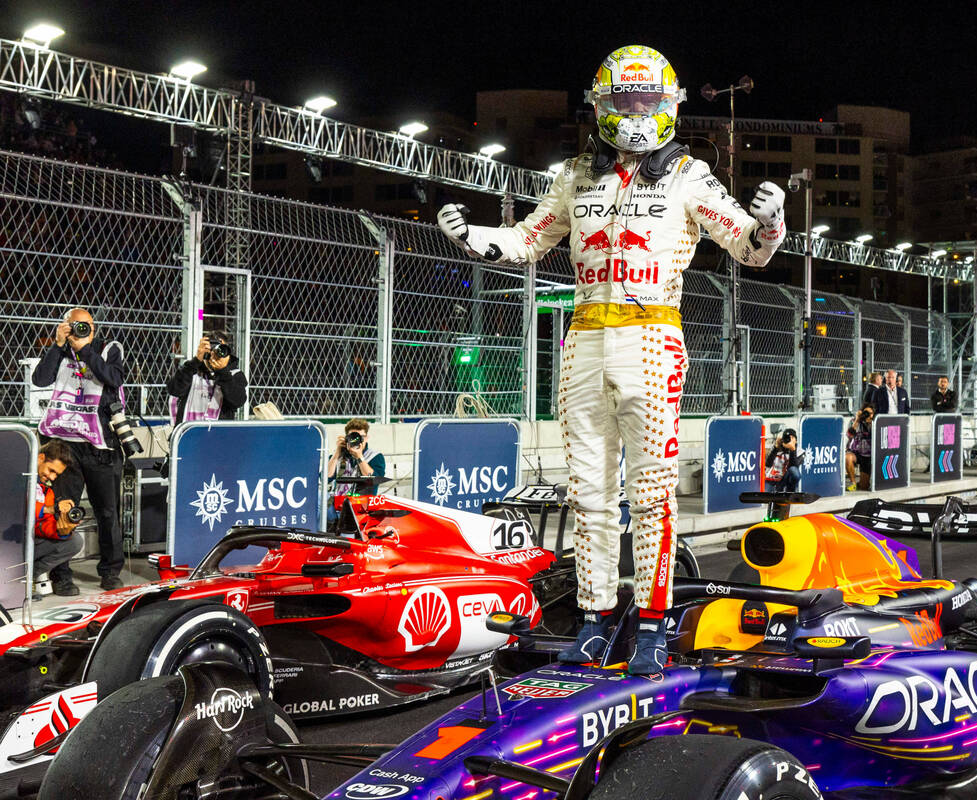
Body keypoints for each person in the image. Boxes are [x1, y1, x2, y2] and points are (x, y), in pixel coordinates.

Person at [437, 45, 786, 674]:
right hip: (583, 341)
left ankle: (651, 622)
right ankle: (596, 618)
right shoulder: (572, 175)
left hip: (653, 340)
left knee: (652, 494)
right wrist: (474, 237)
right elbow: (525, 239)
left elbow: (747, 247)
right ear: (600, 106)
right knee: (588, 495)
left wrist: (770, 224)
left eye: (646, 100)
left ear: (669, 106)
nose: (634, 112)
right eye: (622, 101)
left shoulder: (690, 175)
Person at [31, 307, 126, 589]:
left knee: (108, 512)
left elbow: (114, 378)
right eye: (75, 326)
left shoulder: (108, 348)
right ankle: (61, 576)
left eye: (86, 326)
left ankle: (110, 572)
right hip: (65, 444)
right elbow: (40, 379)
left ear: (94, 328)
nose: (81, 331)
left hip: (100, 444)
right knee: (62, 508)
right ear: (65, 326)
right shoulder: (60, 349)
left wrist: (85, 350)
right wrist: (58, 345)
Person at [32, 439, 84, 597]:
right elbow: (19, 511)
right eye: (51, 470)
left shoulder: (46, 490)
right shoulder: (16, 475)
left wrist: (62, 529)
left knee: (74, 541)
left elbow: (42, 526)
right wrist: (52, 508)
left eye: (56, 474)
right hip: (9, 542)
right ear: (40, 458)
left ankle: (23, 579)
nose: (53, 477)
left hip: (27, 541)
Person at [166, 331, 248, 424]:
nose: (216, 354)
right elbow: (174, 390)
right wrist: (196, 361)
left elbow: (238, 401)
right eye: (212, 349)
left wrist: (223, 372)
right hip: (189, 434)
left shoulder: (234, 374)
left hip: (219, 435)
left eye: (221, 349)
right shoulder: (192, 370)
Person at [327, 418, 387, 522]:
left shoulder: (375, 457)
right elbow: (325, 477)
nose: (357, 441)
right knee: (317, 500)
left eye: (361, 437)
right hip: (335, 503)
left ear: (367, 438)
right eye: (353, 437)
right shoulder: (338, 455)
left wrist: (359, 457)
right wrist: (337, 453)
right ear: (347, 438)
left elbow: (373, 480)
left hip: (360, 506)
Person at [845, 405, 874, 491]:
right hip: (855, 453)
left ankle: (861, 483)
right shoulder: (854, 421)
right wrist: (857, 420)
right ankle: (853, 483)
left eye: (870, 413)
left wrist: (869, 422)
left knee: (864, 487)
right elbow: (849, 435)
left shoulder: (875, 423)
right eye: (866, 413)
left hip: (868, 456)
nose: (868, 415)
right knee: (847, 457)